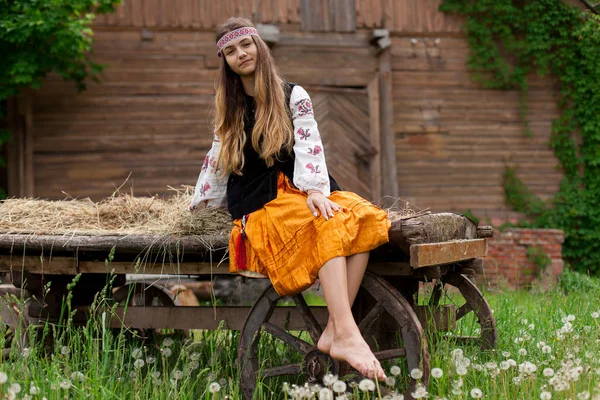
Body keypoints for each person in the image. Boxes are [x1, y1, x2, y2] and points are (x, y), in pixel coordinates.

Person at [189, 17, 390, 380]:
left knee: (365, 217)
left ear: (258, 47)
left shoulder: (292, 94)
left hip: (301, 186)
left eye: (245, 45)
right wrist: (202, 204)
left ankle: (336, 329)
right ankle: (346, 332)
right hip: (259, 198)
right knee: (324, 226)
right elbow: (217, 156)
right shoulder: (230, 106)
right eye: (230, 52)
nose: (240, 55)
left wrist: (315, 190)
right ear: (226, 61)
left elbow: (311, 144)